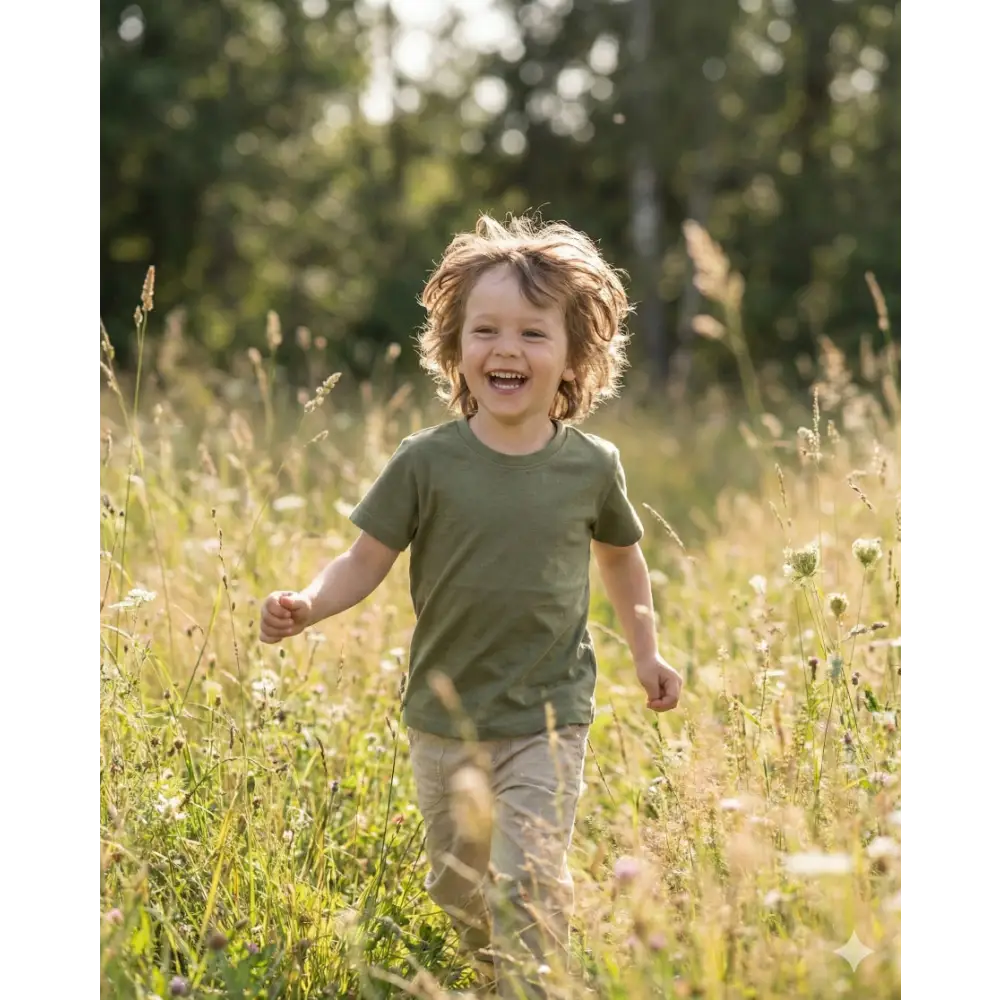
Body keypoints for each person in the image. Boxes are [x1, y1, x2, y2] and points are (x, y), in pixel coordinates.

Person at [259, 214, 682, 998]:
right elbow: (363, 560)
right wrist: (308, 604)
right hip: (444, 722)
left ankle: (536, 985)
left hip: (549, 717)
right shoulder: (427, 462)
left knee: (527, 878)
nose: (507, 349)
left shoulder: (591, 467)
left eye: (532, 332)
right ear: (454, 348)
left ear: (573, 357)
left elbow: (622, 558)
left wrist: (646, 652)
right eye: (485, 330)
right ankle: (491, 977)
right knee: (459, 887)